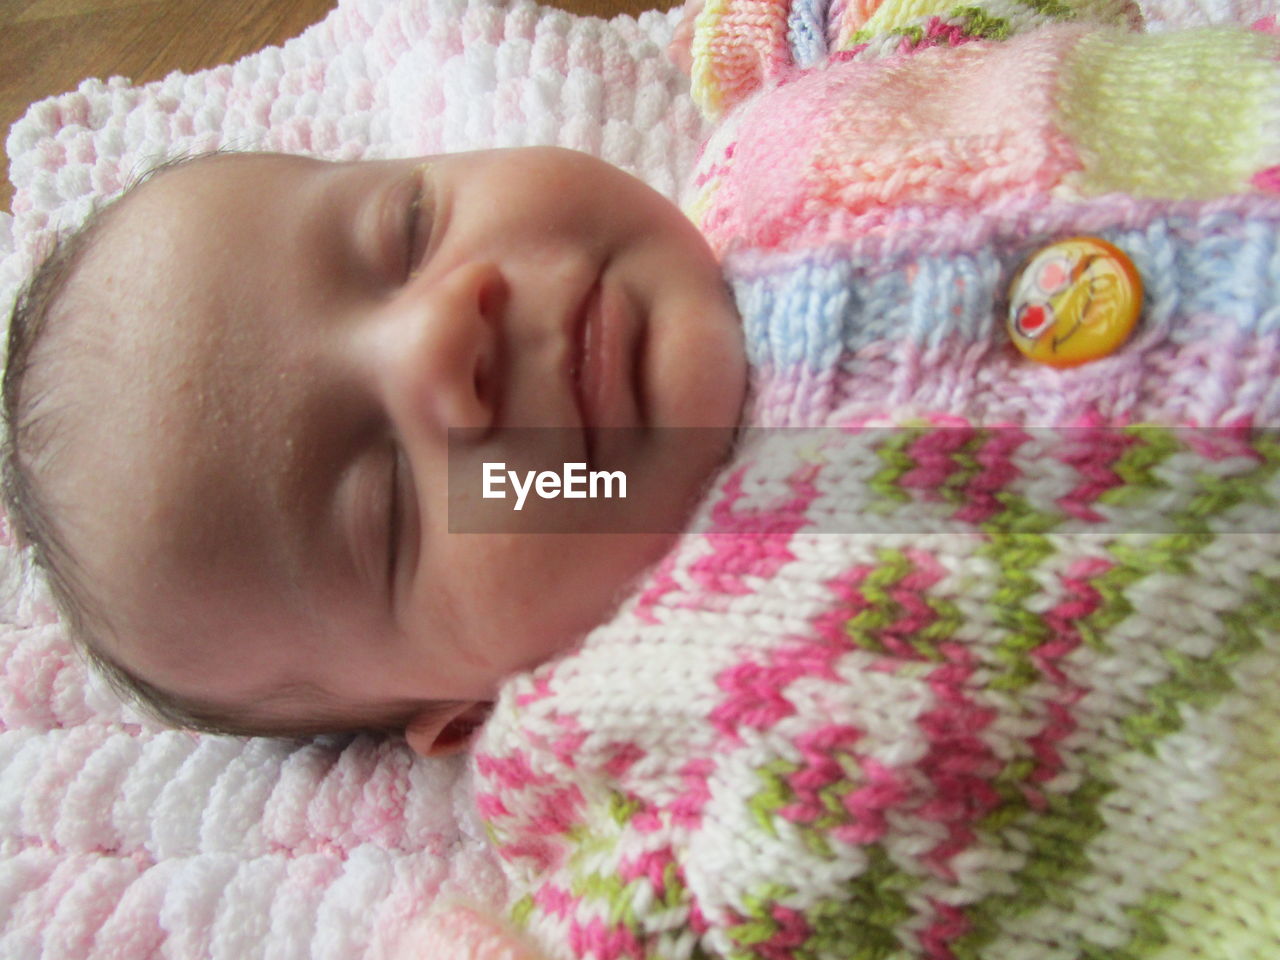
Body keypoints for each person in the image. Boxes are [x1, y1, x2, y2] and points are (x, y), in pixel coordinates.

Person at [3, 0, 1280, 954]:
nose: (450, 341)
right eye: (390, 499)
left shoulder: (786, 144)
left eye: (406, 233)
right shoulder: (661, 744)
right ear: (461, 712)